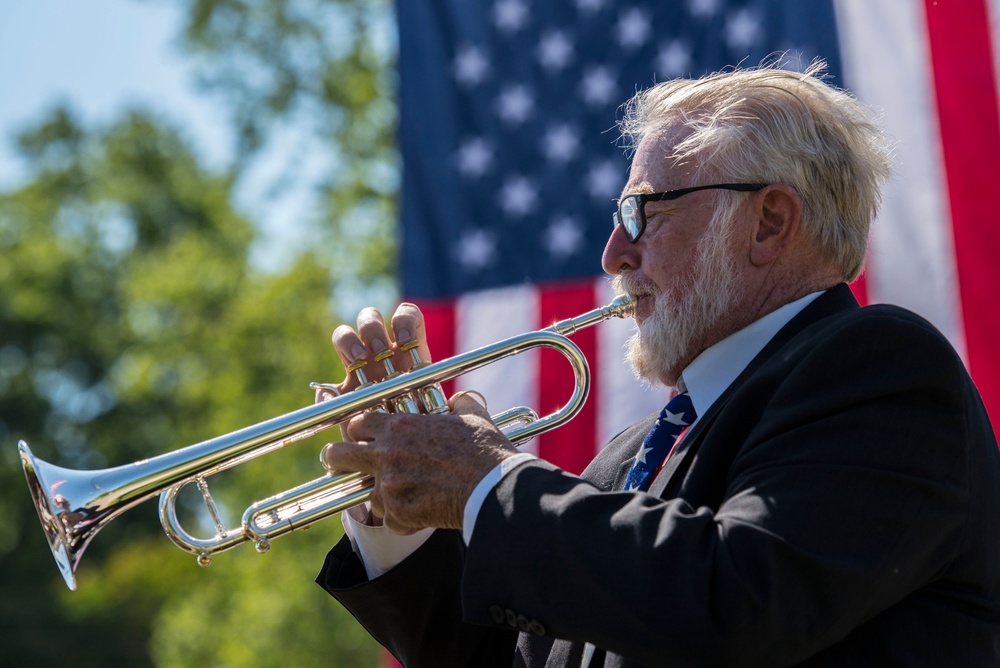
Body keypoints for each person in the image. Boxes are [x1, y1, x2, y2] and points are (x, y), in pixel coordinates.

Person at [313, 62, 1000, 667]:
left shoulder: (883, 372)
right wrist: (393, 511)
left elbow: (734, 603)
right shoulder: (630, 456)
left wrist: (486, 482)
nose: (613, 252)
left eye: (642, 213)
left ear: (769, 223)